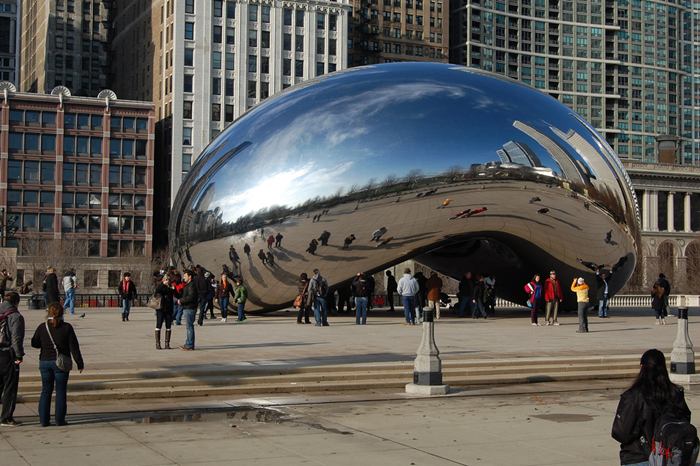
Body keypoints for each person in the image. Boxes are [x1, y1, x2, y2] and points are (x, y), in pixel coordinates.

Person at [612, 349, 692, 466]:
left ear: (642, 367)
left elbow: (620, 432)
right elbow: (684, 422)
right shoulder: (675, 393)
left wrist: (640, 434)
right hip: (669, 457)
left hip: (638, 457)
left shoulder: (633, 396)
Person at [31, 302, 83, 427]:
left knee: (46, 391)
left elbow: (34, 343)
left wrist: (44, 344)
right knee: (60, 391)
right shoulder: (67, 327)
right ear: (62, 313)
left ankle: (44, 420)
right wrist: (79, 363)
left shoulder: (42, 327)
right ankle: (60, 420)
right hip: (61, 362)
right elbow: (74, 347)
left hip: (44, 361)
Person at [0, 292, 24, 426]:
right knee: (10, 387)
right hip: (8, 354)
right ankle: (6, 417)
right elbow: (16, 338)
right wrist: (18, 355)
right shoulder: (15, 316)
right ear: (16, 302)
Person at [178, 269, 198, 350]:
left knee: (189, 327)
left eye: (185, 276)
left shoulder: (191, 285)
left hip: (190, 308)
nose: (184, 277)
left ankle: (189, 345)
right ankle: (188, 343)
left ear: (190, 277)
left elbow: (191, 297)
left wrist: (181, 300)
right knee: (189, 326)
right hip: (188, 307)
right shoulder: (188, 285)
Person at [154, 275, 175, 349]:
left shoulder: (171, 287)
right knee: (159, 325)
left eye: (168, 280)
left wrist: (173, 289)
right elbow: (160, 292)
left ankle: (167, 343)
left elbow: (176, 294)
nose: (167, 281)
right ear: (163, 280)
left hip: (169, 309)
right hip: (161, 309)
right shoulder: (160, 286)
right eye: (166, 279)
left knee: (168, 326)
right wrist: (170, 288)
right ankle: (158, 344)